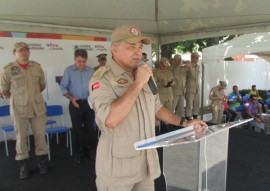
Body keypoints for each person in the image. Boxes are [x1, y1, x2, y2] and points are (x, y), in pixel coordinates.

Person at [89, 25, 207, 191]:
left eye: (139, 47)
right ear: (114, 49)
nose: (137, 52)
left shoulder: (143, 73)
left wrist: (183, 122)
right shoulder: (102, 78)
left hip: (145, 164)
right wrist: (138, 83)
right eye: (131, 47)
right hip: (118, 168)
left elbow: (156, 107)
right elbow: (111, 120)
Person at [0, 42, 48, 179]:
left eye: (26, 50)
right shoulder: (9, 69)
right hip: (19, 109)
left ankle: (42, 163)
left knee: (40, 135)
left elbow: (42, 85)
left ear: (29, 52)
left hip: (37, 108)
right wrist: (19, 99)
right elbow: (4, 90)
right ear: (14, 53)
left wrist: (32, 97)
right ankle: (23, 166)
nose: (24, 53)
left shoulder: (37, 67)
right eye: (20, 51)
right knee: (21, 137)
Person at [60, 49, 96, 164]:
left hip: (89, 103)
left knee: (90, 128)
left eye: (84, 61)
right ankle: (78, 153)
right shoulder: (68, 71)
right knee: (77, 130)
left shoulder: (91, 71)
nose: (81, 64)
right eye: (79, 61)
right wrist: (71, 99)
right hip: (75, 103)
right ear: (74, 59)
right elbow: (63, 87)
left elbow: (95, 86)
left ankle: (90, 151)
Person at [171, 55, 186, 121]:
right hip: (174, 92)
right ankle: (168, 123)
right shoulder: (170, 69)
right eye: (178, 60)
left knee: (180, 109)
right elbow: (173, 77)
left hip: (182, 91)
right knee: (172, 108)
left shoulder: (182, 68)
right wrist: (177, 67)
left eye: (180, 59)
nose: (180, 61)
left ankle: (178, 122)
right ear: (174, 60)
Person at [185, 52, 200, 120]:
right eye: (196, 58)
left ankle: (195, 116)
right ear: (192, 58)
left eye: (198, 58)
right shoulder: (188, 66)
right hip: (189, 88)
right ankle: (188, 117)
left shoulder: (198, 66)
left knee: (196, 103)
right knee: (189, 104)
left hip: (196, 88)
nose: (197, 59)